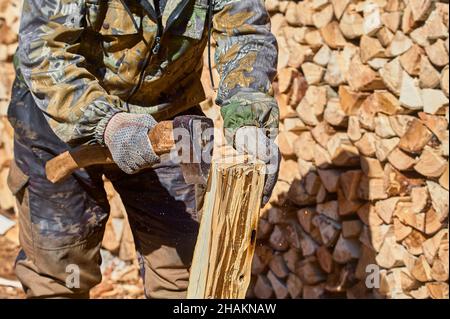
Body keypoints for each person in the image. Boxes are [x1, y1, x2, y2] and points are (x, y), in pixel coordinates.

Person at [7, 0, 279, 298]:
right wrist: (108, 123)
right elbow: (45, 49)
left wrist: (250, 119)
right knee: (61, 273)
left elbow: (245, 33)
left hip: (169, 117)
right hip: (56, 115)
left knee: (187, 272)